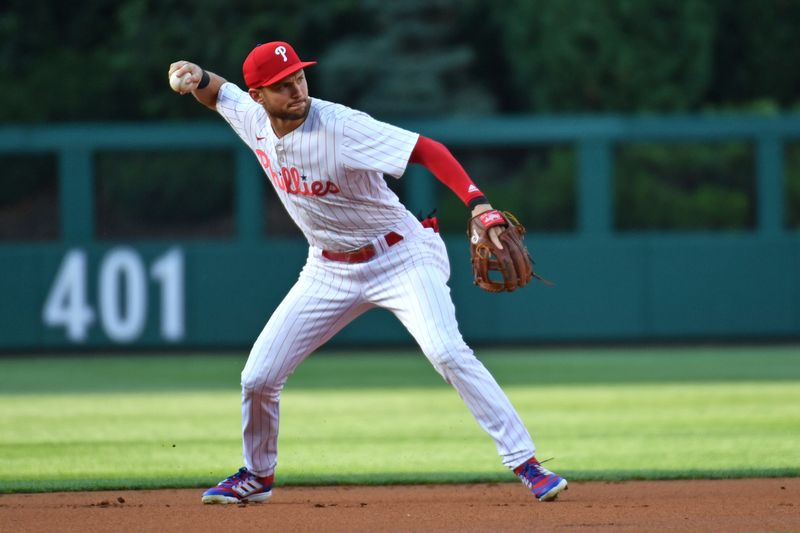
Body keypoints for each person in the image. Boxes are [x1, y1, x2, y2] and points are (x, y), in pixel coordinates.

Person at [168, 41, 567, 504]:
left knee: (446, 350)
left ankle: (526, 463)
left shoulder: (340, 126)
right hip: (327, 270)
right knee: (257, 377)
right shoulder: (252, 117)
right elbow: (219, 93)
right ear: (260, 96)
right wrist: (196, 75)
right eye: (282, 85)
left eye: (299, 76)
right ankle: (257, 477)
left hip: (401, 256)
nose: (297, 89)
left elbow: (428, 150)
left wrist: (479, 203)